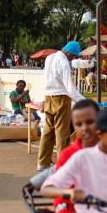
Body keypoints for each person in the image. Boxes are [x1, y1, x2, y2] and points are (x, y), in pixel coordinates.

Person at [36, 41, 85, 171]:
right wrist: (83, 100)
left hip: (48, 97)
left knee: (47, 132)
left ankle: (42, 163)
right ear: (68, 52)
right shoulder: (63, 62)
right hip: (61, 99)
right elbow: (69, 88)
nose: (73, 58)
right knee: (62, 134)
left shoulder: (49, 57)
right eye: (73, 56)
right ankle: (62, 165)